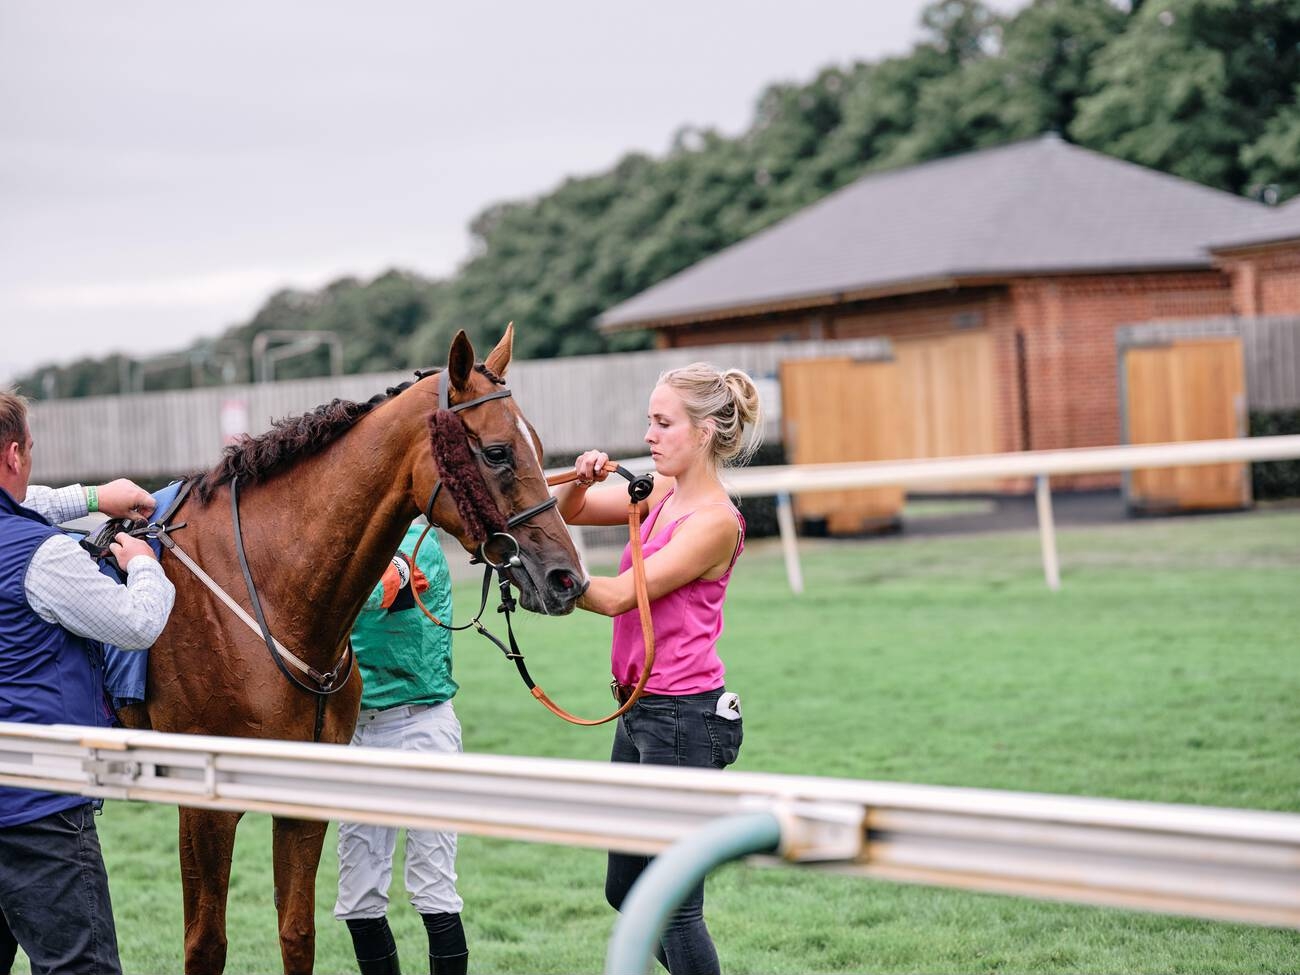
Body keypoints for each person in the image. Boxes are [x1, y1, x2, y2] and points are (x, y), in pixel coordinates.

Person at [555, 363, 762, 975]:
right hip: (641, 709)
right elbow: (576, 511)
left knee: (672, 908)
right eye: (650, 420)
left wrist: (554, 579)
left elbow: (620, 596)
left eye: (663, 422)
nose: (649, 434)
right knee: (626, 891)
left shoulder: (714, 522)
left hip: (683, 717)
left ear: (703, 432)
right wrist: (576, 479)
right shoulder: (661, 492)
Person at [0, 390, 176, 975]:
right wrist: (143, 566)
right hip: (39, 811)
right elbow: (137, 625)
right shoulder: (44, 557)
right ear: (15, 455)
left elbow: (25, 504)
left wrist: (97, 496)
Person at [334, 520, 468, 975]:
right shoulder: (345, 535)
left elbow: (370, 594)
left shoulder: (420, 541)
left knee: (433, 884)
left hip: (421, 727)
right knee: (357, 895)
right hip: (355, 734)